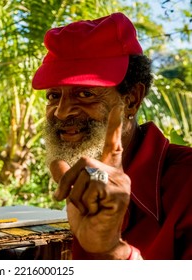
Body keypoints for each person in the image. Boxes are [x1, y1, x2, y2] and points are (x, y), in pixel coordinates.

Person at [31, 12, 192, 259]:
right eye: (53, 96)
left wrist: (112, 251)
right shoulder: (83, 181)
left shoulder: (185, 182)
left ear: (132, 100)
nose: (61, 113)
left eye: (85, 94)